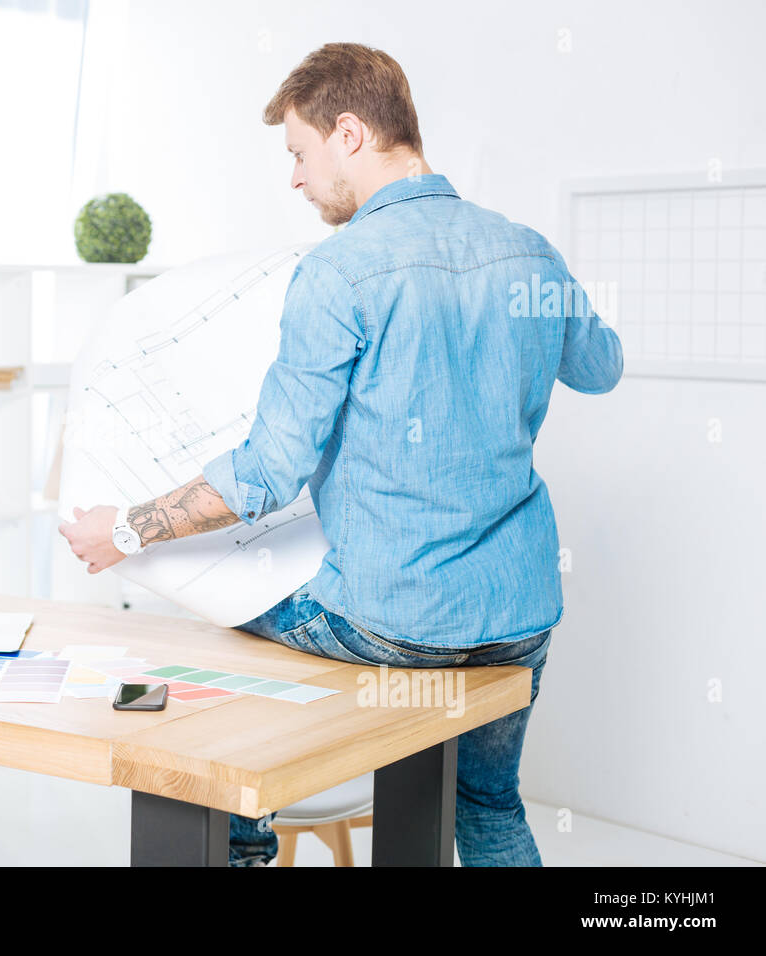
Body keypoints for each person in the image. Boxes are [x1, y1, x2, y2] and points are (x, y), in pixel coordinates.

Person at [58, 42, 622, 866]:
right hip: (518, 614)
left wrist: (129, 530)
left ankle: (241, 840)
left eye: (298, 152)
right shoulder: (527, 250)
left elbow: (268, 472)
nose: (294, 178)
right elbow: (600, 368)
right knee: (489, 805)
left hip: (396, 621)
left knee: (219, 650)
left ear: (349, 133)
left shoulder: (341, 271)